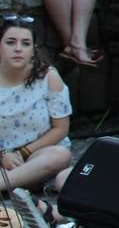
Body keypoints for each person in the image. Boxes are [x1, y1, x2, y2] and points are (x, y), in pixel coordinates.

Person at [0, 16, 72, 192]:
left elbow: (61, 129)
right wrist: (3, 155)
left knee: (60, 155)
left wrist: (21, 153)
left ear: (33, 49)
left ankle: (5, 183)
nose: (18, 49)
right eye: (10, 42)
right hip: (2, 155)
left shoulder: (48, 77)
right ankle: (20, 183)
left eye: (25, 43)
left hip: (35, 154)